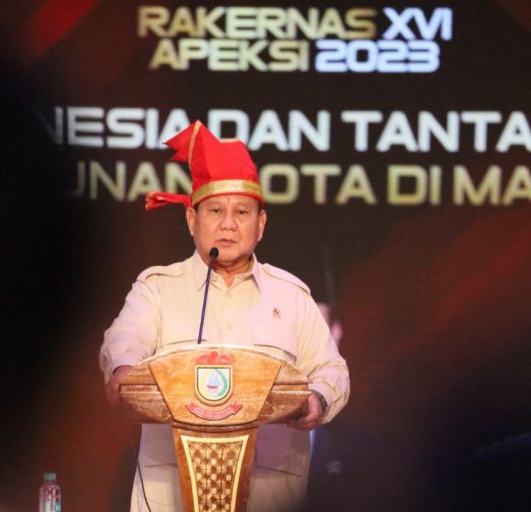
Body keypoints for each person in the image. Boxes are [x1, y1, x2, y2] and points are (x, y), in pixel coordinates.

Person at [99, 120, 350, 512]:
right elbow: (124, 337)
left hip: (270, 496)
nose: (228, 224)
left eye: (242, 212)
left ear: (260, 224)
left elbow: (332, 369)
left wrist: (316, 400)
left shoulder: (292, 296)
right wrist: (123, 369)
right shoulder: (158, 289)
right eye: (215, 210)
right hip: (170, 497)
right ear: (192, 220)